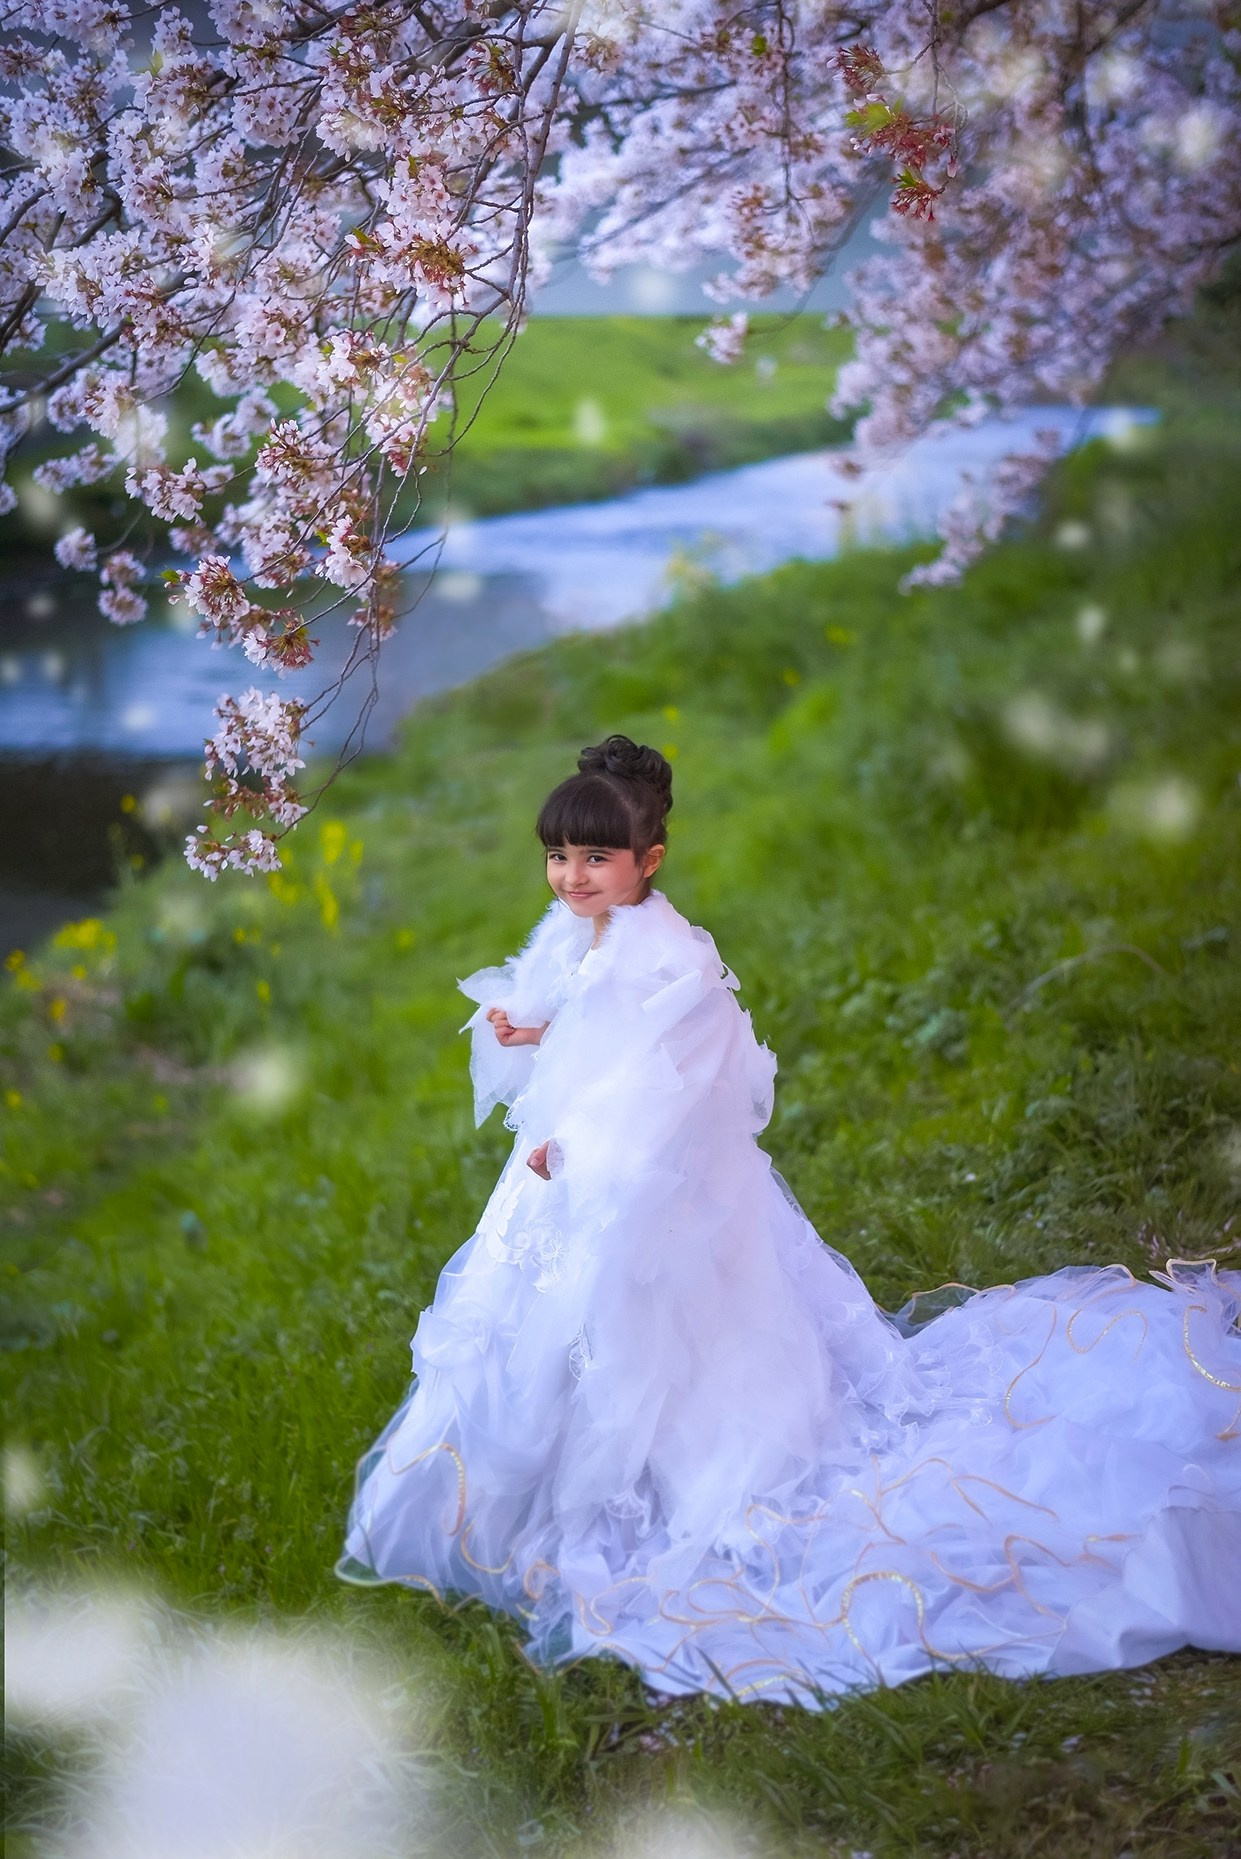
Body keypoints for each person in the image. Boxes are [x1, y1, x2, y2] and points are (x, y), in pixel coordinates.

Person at [339, 736, 1241, 1703]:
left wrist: (580, 1146)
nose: (571, 876)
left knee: (649, 1333)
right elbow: (592, 1021)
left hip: (647, 1186)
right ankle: (515, 1497)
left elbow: (668, 1083)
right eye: (558, 856)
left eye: (596, 858)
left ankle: (662, 1474)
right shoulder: (584, 931)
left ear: (649, 860)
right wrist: (537, 1030)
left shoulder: (677, 961)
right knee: (540, 1331)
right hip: (566, 1172)